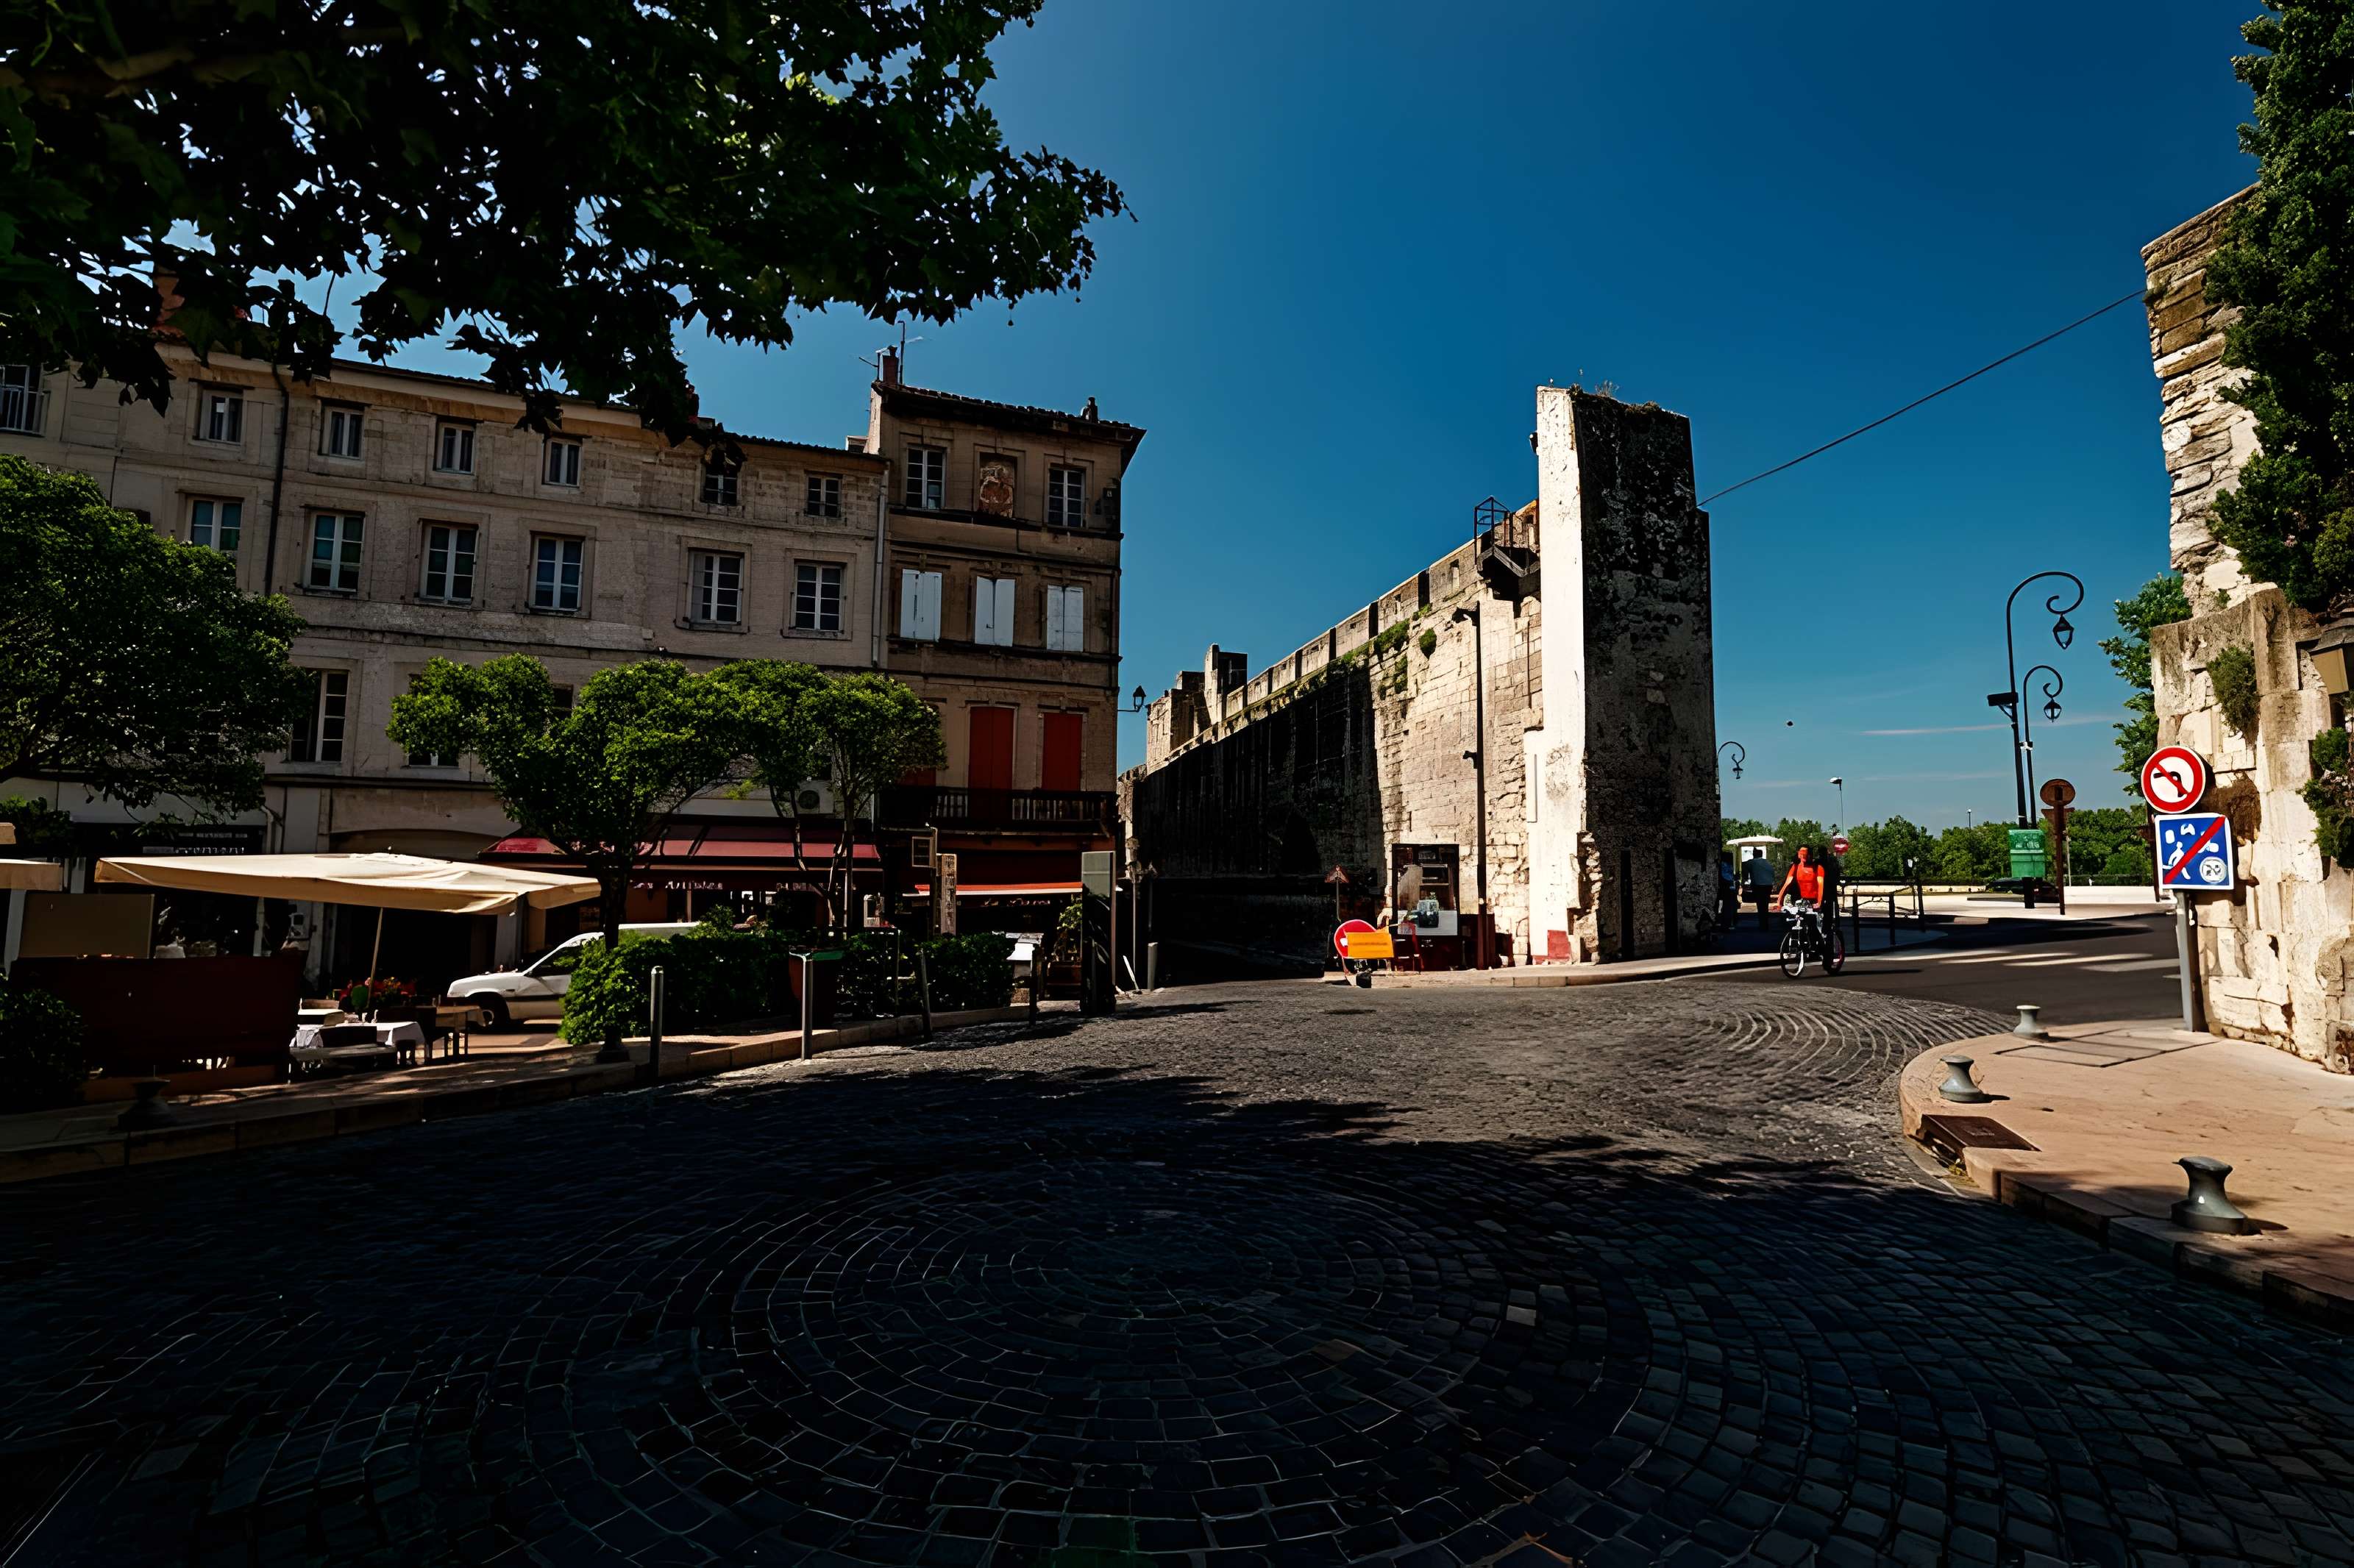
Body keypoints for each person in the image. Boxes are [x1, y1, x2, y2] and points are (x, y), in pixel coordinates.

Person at [1776, 846, 1829, 951]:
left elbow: (1821, 886)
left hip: (1814, 900)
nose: (1803, 856)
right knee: (1796, 921)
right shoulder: (1795, 867)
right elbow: (1787, 884)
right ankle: (1803, 945)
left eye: (1805, 854)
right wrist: (1779, 902)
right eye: (1801, 853)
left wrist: (1819, 902)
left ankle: (1819, 946)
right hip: (1800, 900)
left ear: (1810, 855)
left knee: (1813, 924)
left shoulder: (1818, 868)